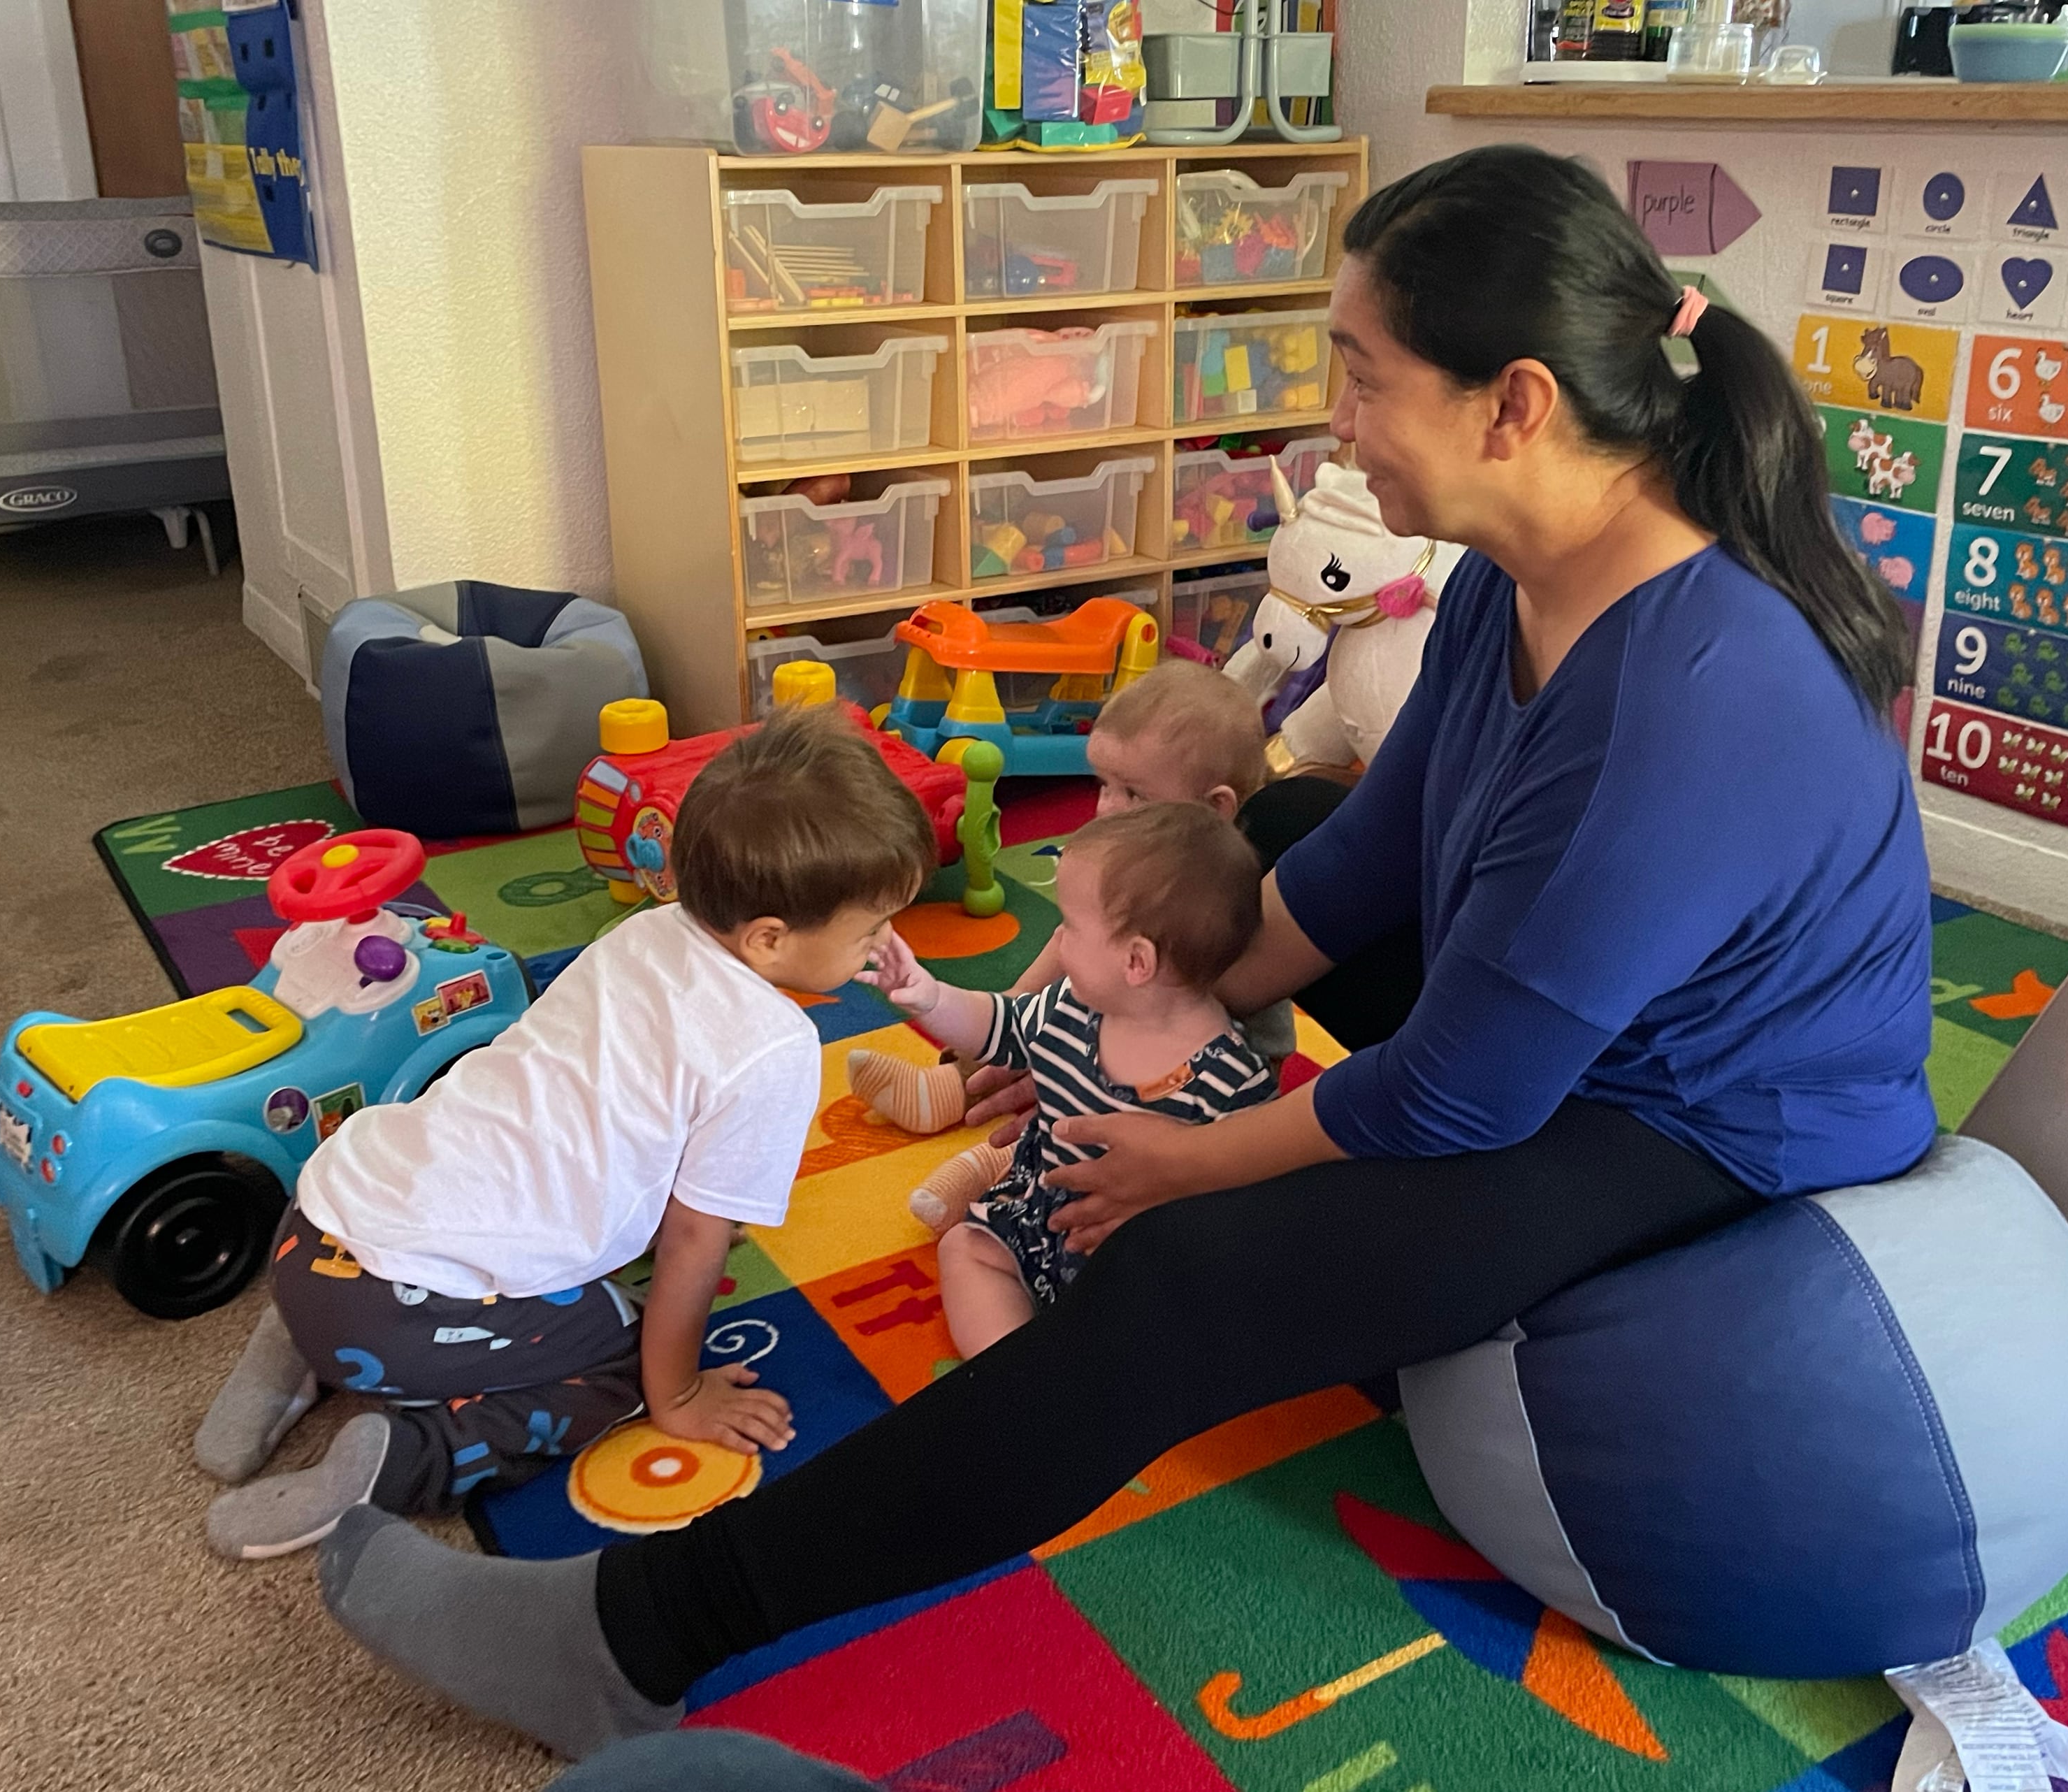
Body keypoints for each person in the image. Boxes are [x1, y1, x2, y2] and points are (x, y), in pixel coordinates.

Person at [307, 142, 1936, 1763]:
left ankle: (640, 1630)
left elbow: (1466, 1096)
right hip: (1564, 1031)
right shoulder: (1513, 589)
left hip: (1701, 1117)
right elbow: (1354, 857)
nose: (1337, 425)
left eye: (1362, 382)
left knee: (1180, 1275)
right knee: (1271, 845)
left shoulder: (1697, 693)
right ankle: (1249, 1207)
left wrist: (1189, 1155)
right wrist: (1093, 1018)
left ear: (1512, 403)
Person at [191, 705, 933, 1559]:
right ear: (768, 940)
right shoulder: (773, 1046)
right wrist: (680, 1391)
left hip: (315, 1228)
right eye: (872, 927)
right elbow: (697, 1237)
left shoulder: (644, 931)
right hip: (395, 1320)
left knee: (420, 1239)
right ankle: (399, 1460)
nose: (885, 942)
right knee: (621, 1362)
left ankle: (284, 1358)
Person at [860, 803, 1275, 1354]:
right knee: (967, 1249)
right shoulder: (1071, 1007)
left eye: (1072, 928)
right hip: (1039, 1219)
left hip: (1139, 1263)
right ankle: (1016, 1371)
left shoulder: (1230, 1079)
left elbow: (1245, 1202)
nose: (1057, 943)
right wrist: (930, 996)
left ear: (1137, 963)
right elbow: (999, 1027)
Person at [842, 658, 1292, 1147]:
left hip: (1187, 1088)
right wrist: (1012, 1018)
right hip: (1111, 1032)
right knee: (1064, 979)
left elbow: (1255, 1046)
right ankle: (958, 1082)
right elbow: (1069, 956)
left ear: (1214, 807)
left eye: (1135, 795)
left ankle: (977, 1093)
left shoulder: (1232, 896)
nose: (1107, 810)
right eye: (1104, 786)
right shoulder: (1132, 864)